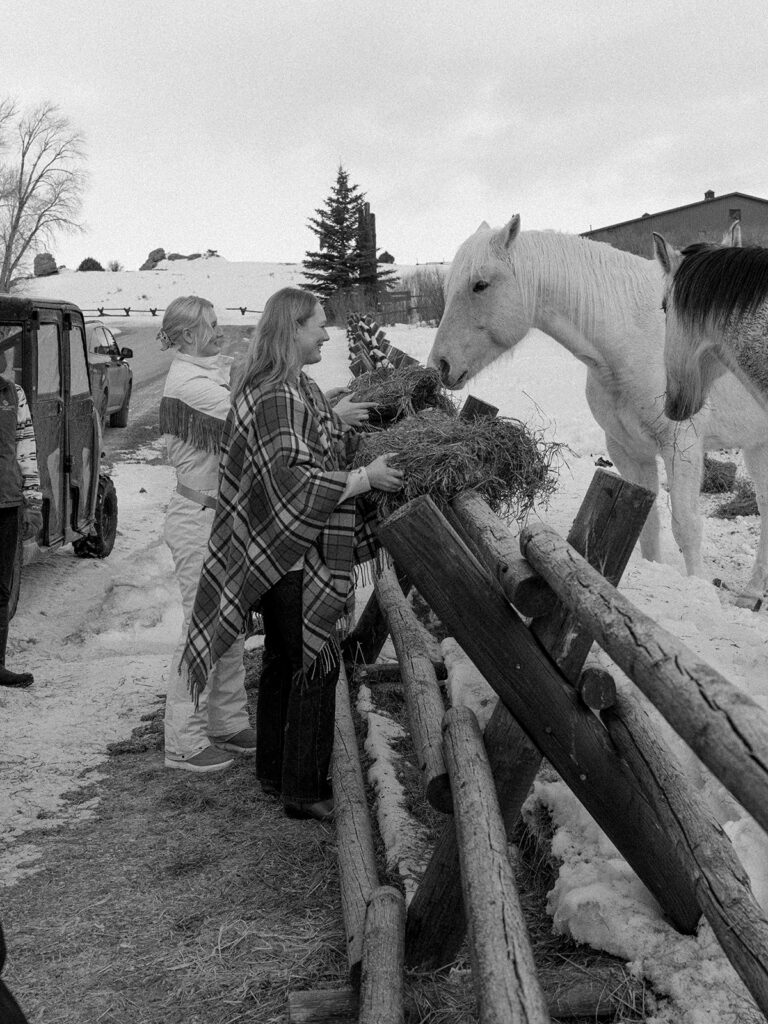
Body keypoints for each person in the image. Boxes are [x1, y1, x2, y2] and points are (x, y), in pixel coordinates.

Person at [181, 287, 403, 820]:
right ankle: (303, 790)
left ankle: (273, 770)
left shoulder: (285, 385)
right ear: (293, 330)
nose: (327, 333)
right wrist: (364, 477)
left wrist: (334, 415)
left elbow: (306, 436)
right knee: (315, 662)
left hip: (271, 551)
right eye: (318, 325)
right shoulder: (281, 392)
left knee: (284, 658)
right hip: (291, 555)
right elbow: (291, 480)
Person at [159, 296, 257, 773]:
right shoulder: (192, 384)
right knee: (202, 624)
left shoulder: (208, 374)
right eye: (209, 326)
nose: (219, 332)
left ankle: (227, 721)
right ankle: (183, 741)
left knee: (229, 622)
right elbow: (251, 422)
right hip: (199, 516)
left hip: (218, 515)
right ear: (184, 337)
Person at [0, 347, 42, 688]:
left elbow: (26, 446)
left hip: (6, 502)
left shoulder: (12, 393)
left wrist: (32, 500)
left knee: (1, 589)